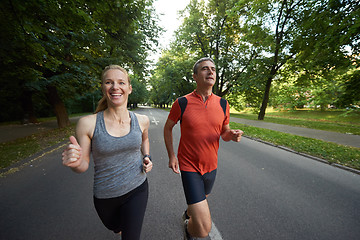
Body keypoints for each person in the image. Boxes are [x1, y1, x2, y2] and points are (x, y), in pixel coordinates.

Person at [62, 65, 153, 240]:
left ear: (129, 88)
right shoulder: (87, 123)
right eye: (109, 82)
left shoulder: (142, 120)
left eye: (121, 82)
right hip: (105, 197)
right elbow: (83, 164)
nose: (115, 87)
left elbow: (145, 139)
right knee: (116, 227)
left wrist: (147, 156)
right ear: (103, 88)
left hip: (137, 188)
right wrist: (75, 163)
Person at [164, 57, 243, 239]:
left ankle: (189, 214)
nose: (211, 72)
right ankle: (187, 227)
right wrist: (172, 156)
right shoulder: (182, 103)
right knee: (202, 229)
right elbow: (168, 128)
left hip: (211, 167)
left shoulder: (223, 104)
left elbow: (223, 132)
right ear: (195, 76)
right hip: (189, 166)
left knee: (199, 202)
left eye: (213, 69)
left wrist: (231, 135)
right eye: (205, 69)